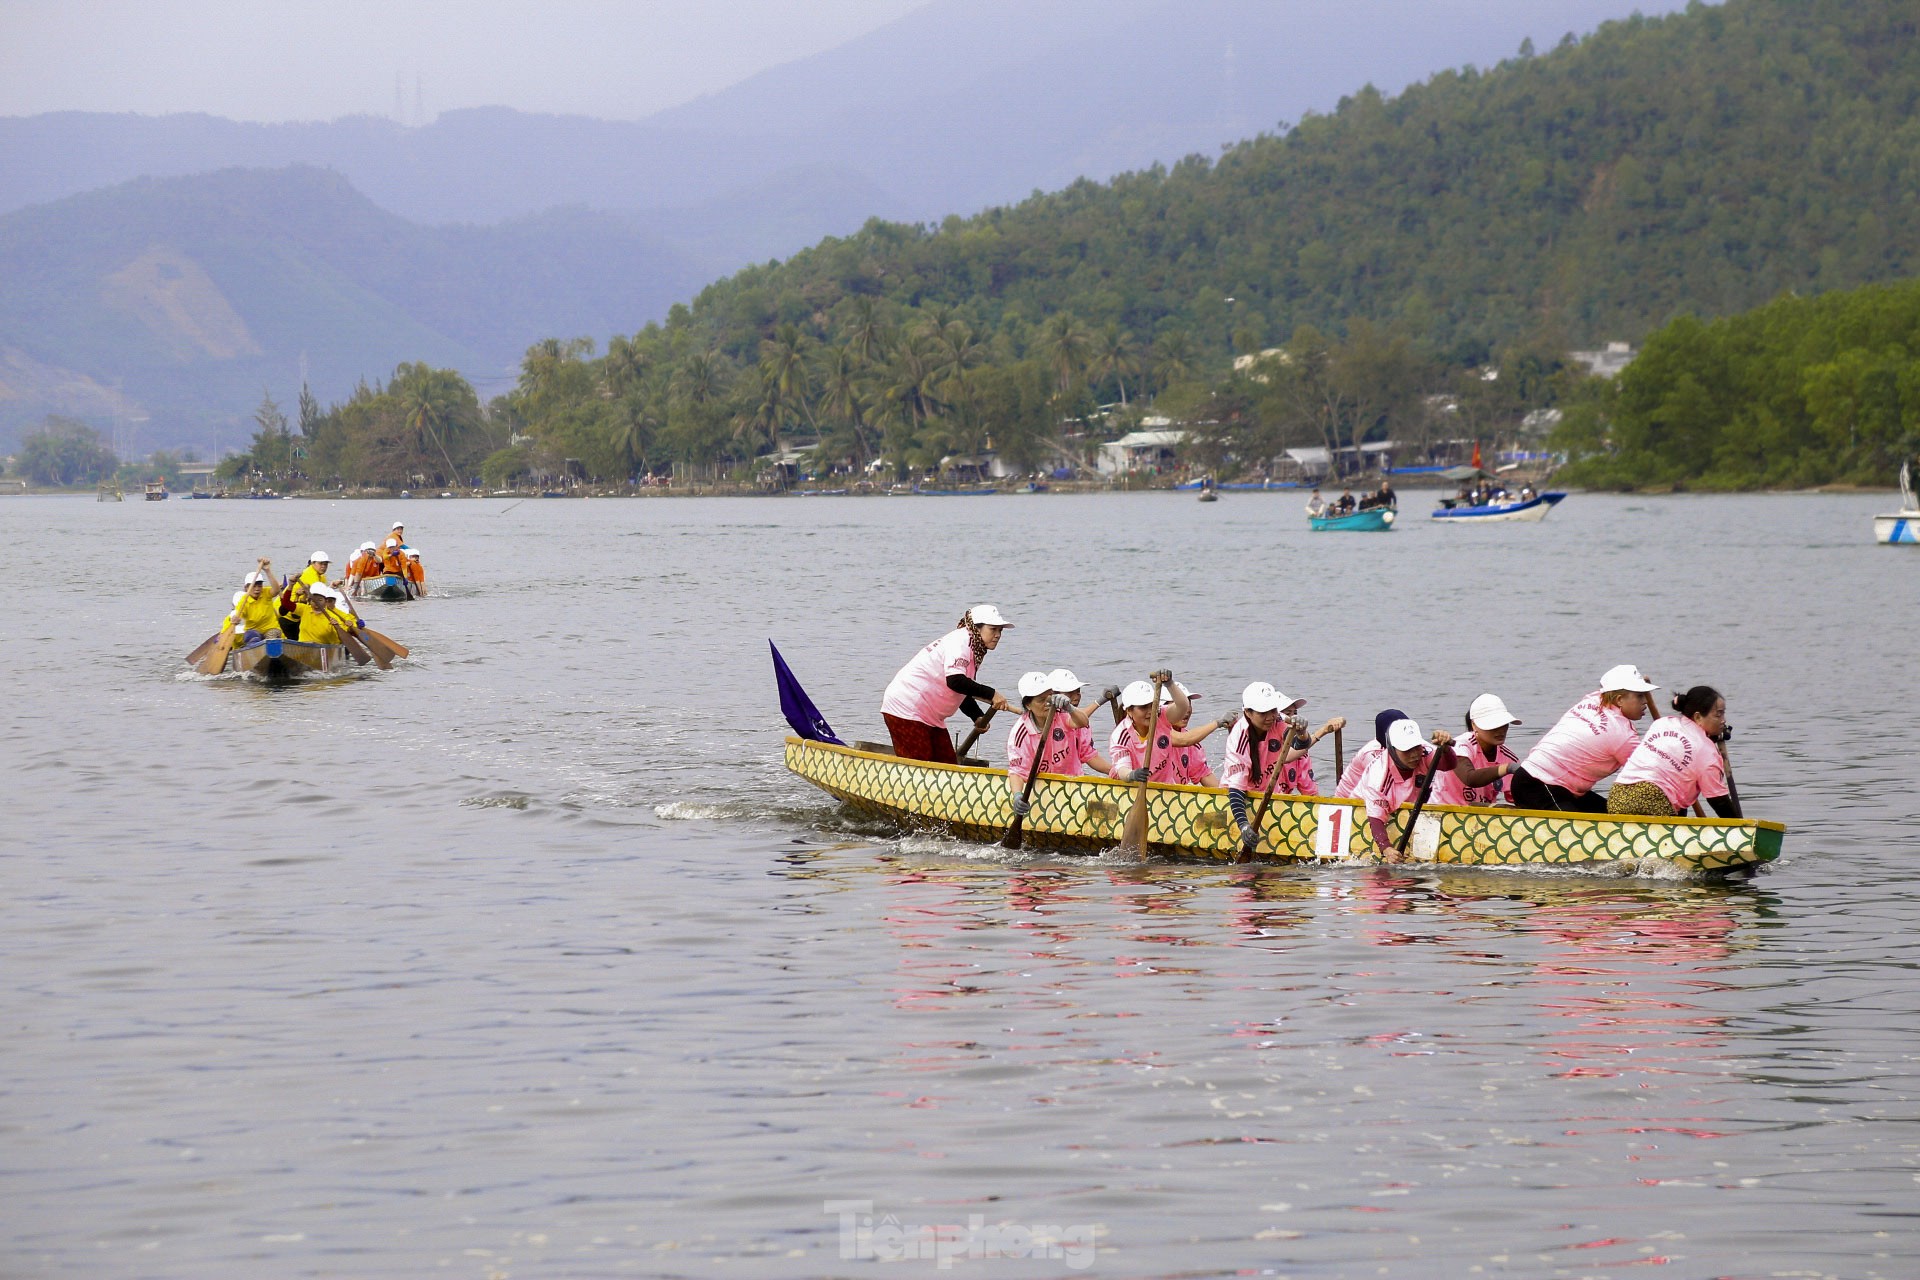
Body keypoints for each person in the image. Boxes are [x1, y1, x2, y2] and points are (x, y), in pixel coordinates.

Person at [1509, 665, 1658, 813]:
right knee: (1574, 830)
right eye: (1639, 696)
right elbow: (1653, 773)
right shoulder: (1622, 735)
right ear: (1619, 700)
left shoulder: (1592, 700)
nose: (1645, 701)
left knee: (1611, 816)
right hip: (1538, 785)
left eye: (1644, 695)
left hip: (1549, 785)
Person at [881, 605, 1015, 763]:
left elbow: (960, 690)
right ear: (976, 628)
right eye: (993, 629)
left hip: (930, 715)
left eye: (1000, 631)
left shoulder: (974, 648)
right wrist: (992, 694)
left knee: (947, 764)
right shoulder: (961, 642)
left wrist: (977, 716)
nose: (998, 635)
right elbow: (956, 682)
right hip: (906, 707)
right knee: (923, 767)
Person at [1609, 686, 1740, 818]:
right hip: (1650, 800)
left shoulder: (1663, 723)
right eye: (1718, 714)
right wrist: (1741, 828)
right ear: (1698, 717)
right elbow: (1719, 801)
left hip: (1617, 797)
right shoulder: (1707, 752)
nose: (1723, 720)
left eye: (1723, 713)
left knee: (1678, 802)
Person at [1221, 682, 1314, 851]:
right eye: (1263, 712)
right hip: (1239, 798)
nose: (1270, 716)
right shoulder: (1240, 737)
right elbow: (1236, 790)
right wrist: (1243, 825)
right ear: (1248, 712)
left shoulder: (1278, 720)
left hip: (1269, 794)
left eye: (1273, 710)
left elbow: (1300, 744)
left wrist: (1301, 731)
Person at [1351, 717, 1457, 859]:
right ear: (1392, 750)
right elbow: (1375, 818)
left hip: (1405, 809)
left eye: (1416, 747)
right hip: (1365, 814)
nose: (1414, 755)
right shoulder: (1378, 776)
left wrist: (1446, 749)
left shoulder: (1424, 751)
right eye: (1406, 750)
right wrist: (1386, 848)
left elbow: (1448, 765)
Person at [1108, 676, 1232, 784]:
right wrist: (1133, 775)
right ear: (1129, 711)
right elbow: (1122, 769)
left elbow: (1183, 706)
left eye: (1152, 705)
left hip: (1166, 790)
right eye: (1143, 707)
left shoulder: (1161, 716)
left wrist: (1169, 683)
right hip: (1131, 787)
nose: (1150, 711)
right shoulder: (1121, 735)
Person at [1005, 673, 1111, 798]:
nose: (1047, 704)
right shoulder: (1021, 733)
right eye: (1041, 700)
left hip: (1074, 784)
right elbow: (1017, 772)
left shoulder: (1062, 713)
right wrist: (1017, 795)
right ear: (1028, 705)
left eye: (1049, 698)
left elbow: (1083, 723)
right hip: (1042, 791)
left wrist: (1070, 708)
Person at [1440, 693, 1524, 807]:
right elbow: (1470, 778)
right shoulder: (1460, 746)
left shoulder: (1509, 757)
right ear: (1474, 725)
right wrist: (1508, 768)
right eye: (1493, 725)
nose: (1501, 730)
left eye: (1504, 724)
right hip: (1444, 811)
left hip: (1481, 816)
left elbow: (1521, 799)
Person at [222, 560, 285, 641]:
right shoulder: (244, 601)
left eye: (259, 586)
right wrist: (236, 619)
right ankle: (255, 650)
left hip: (270, 629)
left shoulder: (266, 592)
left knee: (272, 637)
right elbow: (239, 614)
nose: (257, 589)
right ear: (246, 588)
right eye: (254, 586)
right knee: (252, 637)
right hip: (253, 631)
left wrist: (267, 570)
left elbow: (276, 590)